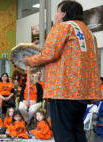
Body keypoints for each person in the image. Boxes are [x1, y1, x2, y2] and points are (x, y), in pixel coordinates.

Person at [22, 1, 103, 141]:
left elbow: (49, 53)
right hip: (82, 92)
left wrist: (29, 61)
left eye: (57, 11)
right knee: (77, 130)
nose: (56, 15)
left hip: (63, 90)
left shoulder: (62, 27)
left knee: (63, 133)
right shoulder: (89, 34)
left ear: (64, 13)